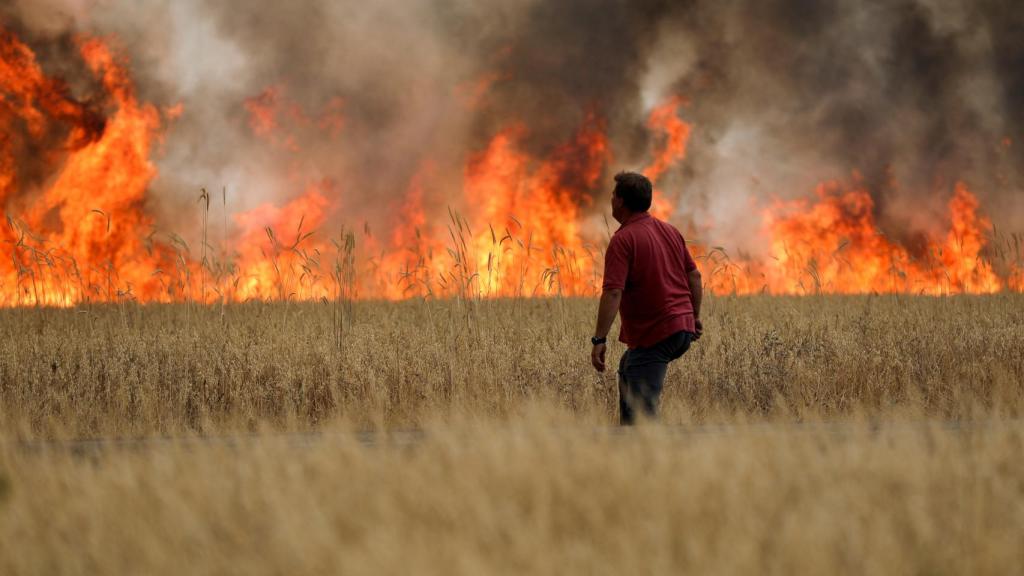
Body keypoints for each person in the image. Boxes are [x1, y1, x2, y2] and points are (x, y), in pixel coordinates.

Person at [590, 171, 703, 425]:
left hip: (658, 331)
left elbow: (613, 292)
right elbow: (694, 276)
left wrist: (599, 339)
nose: (610, 199)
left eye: (613, 195)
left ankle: (647, 452)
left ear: (620, 201)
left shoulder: (623, 239)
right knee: (630, 364)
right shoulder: (669, 230)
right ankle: (629, 440)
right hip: (681, 328)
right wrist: (694, 317)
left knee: (643, 412)